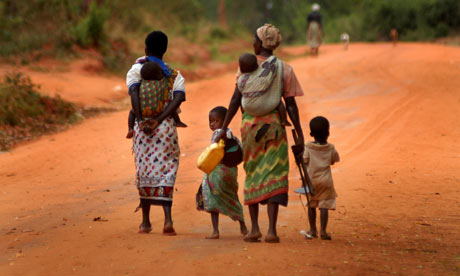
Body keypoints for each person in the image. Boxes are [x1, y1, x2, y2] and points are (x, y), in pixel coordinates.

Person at [215, 24, 305, 243]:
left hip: (250, 129)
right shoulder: (284, 69)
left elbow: (236, 99)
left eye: (254, 38)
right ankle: (272, 231)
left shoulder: (246, 69)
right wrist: (300, 133)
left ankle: (255, 228)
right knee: (274, 172)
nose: (252, 41)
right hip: (273, 128)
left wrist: (224, 128)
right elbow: (290, 105)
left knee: (253, 172)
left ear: (261, 42)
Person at [126, 30, 186, 235]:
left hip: (144, 130)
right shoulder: (174, 74)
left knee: (144, 171)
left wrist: (143, 120)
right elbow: (178, 99)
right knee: (167, 169)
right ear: (165, 50)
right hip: (165, 128)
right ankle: (168, 220)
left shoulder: (136, 70)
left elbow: (134, 95)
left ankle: (146, 222)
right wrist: (159, 120)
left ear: (145, 49)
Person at [196, 106, 248, 239]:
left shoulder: (219, 133)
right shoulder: (233, 135)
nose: (212, 124)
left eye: (215, 121)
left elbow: (213, 151)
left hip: (218, 172)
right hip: (231, 173)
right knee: (232, 197)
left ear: (225, 121)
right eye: (210, 121)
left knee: (212, 197)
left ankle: (215, 231)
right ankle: (243, 225)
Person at [302, 116, 340, 240]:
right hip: (326, 181)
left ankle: (313, 229)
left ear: (311, 134)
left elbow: (304, 160)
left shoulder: (308, 147)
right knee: (324, 206)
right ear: (328, 133)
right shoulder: (330, 148)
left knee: (312, 205)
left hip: (311, 180)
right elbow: (334, 160)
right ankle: (323, 231)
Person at [126, 62, 186, 139]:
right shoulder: (161, 84)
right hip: (158, 109)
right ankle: (178, 121)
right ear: (158, 75)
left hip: (142, 110)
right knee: (170, 106)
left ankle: (130, 128)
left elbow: (133, 93)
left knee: (132, 112)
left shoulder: (140, 85)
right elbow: (177, 97)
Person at [238, 53, 291, 127]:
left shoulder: (241, 80)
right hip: (263, 106)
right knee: (278, 102)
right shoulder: (262, 77)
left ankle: (244, 115)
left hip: (248, 107)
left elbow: (240, 90)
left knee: (242, 98)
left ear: (241, 68)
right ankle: (284, 120)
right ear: (256, 65)